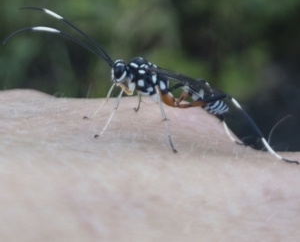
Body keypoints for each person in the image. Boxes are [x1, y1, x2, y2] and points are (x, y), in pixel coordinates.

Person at [0, 89, 299, 240]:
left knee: (215, 101)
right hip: (178, 101)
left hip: (189, 101)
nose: (118, 79)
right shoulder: (131, 83)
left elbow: (158, 102)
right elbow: (127, 94)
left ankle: (272, 152)